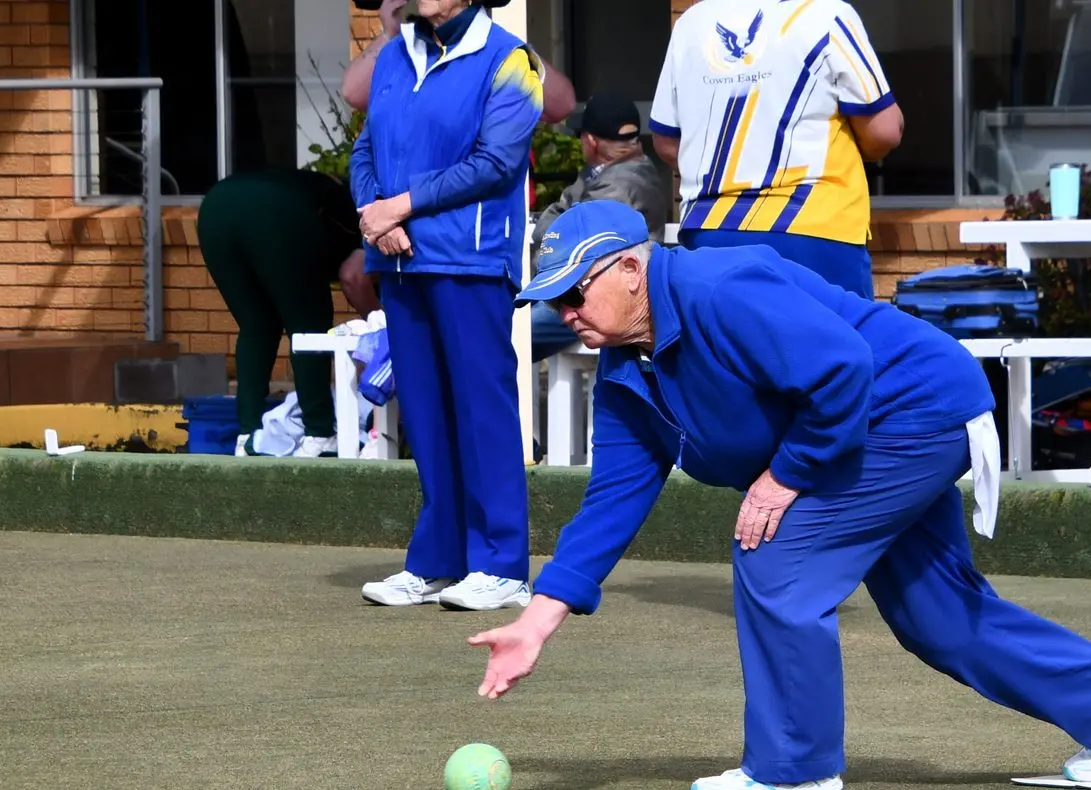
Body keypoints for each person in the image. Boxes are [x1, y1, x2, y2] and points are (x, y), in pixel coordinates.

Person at [465, 201, 1091, 790]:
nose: (566, 315)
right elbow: (612, 499)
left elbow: (843, 368)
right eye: (552, 302)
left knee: (774, 555)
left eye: (573, 294)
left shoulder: (720, 288)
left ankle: (794, 766)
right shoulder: (628, 369)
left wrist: (785, 476)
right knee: (935, 617)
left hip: (913, 410)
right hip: (867, 429)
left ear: (630, 268)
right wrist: (536, 622)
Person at [349, 0, 542, 611]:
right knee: (426, 415)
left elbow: (495, 163)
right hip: (398, 257)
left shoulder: (512, 59)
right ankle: (437, 561)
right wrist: (373, 216)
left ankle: (503, 565)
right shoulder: (392, 56)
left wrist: (399, 206)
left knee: (482, 410)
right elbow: (364, 150)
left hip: (473, 260)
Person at [648, 0, 905, 299]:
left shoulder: (691, 24)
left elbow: (666, 140)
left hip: (709, 230)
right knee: (832, 344)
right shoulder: (825, 13)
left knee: (729, 345)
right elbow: (885, 131)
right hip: (812, 228)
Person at [197, 168, 380, 458]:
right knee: (310, 328)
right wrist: (381, 325)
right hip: (277, 212)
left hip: (216, 208)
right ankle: (320, 434)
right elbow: (353, 277)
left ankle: (248, 434)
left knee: (257, 324)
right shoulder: (371, 214)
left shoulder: (327, 190)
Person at [530, 91, 671, 364]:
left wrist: (563, 217)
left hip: (596, 292)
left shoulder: (621, 182)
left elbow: (560, 240)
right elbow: (560, 219)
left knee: (508, 343)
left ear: (591, 141)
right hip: (584, 286)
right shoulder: (604, 172)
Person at [341, 0, 576, 124]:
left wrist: (512, 51)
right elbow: (353, 93)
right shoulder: (406, 48)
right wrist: (389, 32)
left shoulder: (495, 50)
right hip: (402, 208)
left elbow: (563, 106)